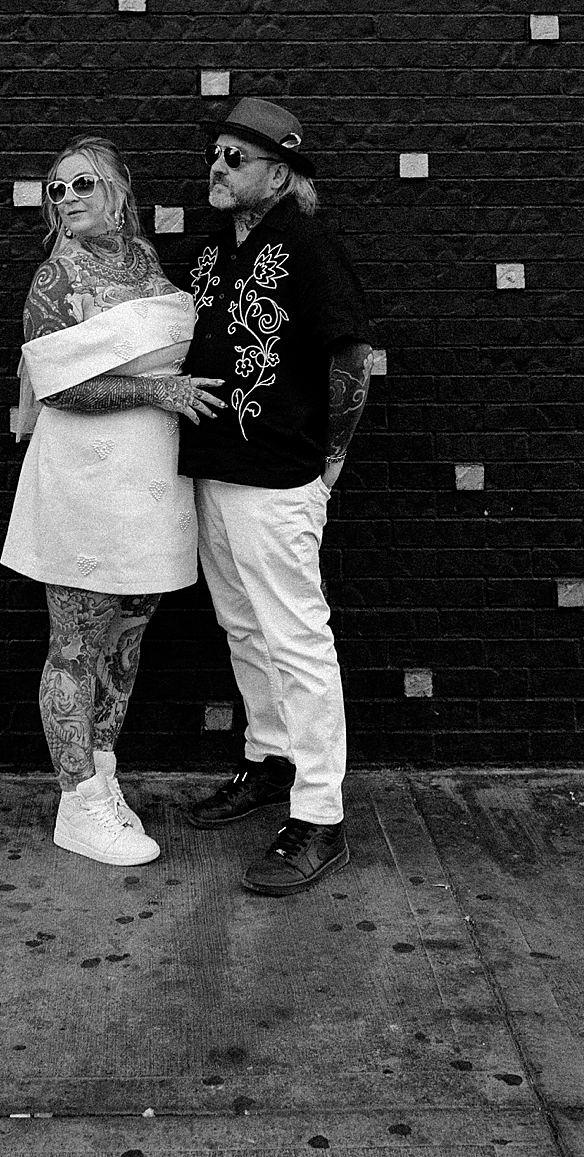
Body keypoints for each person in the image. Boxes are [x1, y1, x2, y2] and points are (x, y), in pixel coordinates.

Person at [1, 134, 225, 867]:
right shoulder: (53, 279)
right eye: (56, 189)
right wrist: (157, 391)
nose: (66, 199)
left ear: (120, 193)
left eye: (82, 185)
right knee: (76, 638)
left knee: (126, 636)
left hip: (147, 483)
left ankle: (102, 777)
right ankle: (77, 805)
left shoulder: (147, 265)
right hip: (82, 480)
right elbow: (59, 387)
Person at [176, 97, 373, 896]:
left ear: (280, 172)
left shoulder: (309, 243)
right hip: (212, 469)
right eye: (216, 155)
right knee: (241, 625)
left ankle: (320, 814)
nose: (218, 169)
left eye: (237, 158)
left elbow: (351, 353)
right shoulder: (214, 250)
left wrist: (331, 459)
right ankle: (270, 761)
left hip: (280, 476)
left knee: (295, 637)